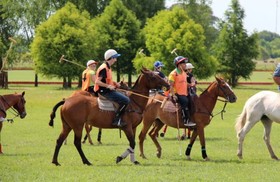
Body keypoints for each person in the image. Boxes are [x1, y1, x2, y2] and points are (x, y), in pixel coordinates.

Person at [94, 49, 130, 127]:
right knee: (126, 100)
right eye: (115, 58)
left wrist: (115, 84)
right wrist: (108, 86)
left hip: (107, 90)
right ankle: (116, 120)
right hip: (104, 91)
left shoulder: (108, 67)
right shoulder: (104, 68)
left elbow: (107, 80)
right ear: (111, 58)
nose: (116, 60)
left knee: (125, 96)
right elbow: (97, 82)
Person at [168, 56, 196, 127]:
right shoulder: (173, 74)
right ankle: (186, 120)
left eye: (185, 63)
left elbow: (184, 83)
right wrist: (174, 95)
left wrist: (190, 85)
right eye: (183, 63)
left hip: (185, 93)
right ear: (179, 65)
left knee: (193, 100)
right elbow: (170, 86)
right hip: (177, 93)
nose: (185, 65)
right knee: (185, 101)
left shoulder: (184, 72)